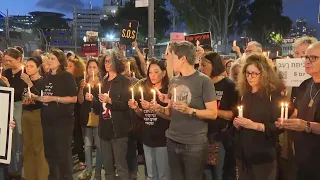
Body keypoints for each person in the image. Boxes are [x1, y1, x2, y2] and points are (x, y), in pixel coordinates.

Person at [156, 41, 218, 180]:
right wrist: (157, 108)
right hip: (172, 140)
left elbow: (213, 113)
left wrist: (190, 110)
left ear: (183, 59)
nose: (169, 61)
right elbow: (170, 112)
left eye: (172, 57)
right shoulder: (174, 81)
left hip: (194, 144)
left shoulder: (204, 81)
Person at [234, 54, 284, 180]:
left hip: (263, 155)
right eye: (247, 73)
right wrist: (237, 123)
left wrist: (256, 126)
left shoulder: (272, 95)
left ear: (264, 74)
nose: (249, 77)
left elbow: (280, 126)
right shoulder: (243, 94)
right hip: (244, 154)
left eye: (254, 74)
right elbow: (239, 117)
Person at [275, 42, 320, 180]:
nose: (307, 61)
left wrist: (306, 126)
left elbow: (304, 123)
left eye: (313, 57)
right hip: (303, 156)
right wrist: (287, 122)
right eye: (306, 57)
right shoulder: (305, 85)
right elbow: (298, 112)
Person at [87, 50, 131, 180]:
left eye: (109, 61)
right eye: (105, 61)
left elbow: (126, 104)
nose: (107, 64)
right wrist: (93, 100)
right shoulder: (103, 82)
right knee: (108, 168)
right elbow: (98, 108)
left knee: (121, 166)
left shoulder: (124, 81)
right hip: (104, 129)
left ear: (116, 63)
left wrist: (110, 101)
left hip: (118, 130)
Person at [128, 59, 171, 180]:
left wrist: (156, 108)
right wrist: (136, 108)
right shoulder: (145, 90)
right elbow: (144, 115)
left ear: (164, 73)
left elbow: (171, 116)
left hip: (162, 138)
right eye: (150, 72)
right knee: (151, 175)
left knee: (163, 174)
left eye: (156, 72)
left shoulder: (167, 92)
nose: (152, 75)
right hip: (147, 137)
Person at [39, 48, 78, 180]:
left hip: (62, 123)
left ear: (60, 61)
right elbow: (45, 95)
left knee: (63, 156)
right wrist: (36, 97)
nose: (49, 61)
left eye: (52, 59)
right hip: (47, 122)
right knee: (50, 155)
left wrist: (55, 99)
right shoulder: (47, 76)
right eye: (48, 58)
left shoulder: (67, 76)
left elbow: (74, 98)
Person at [199, 52, 238, 180]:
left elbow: (231, 115)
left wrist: (212, 110)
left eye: (204, 65)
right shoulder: (203, 84)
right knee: (205, 171)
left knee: (218, 172)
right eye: (200, 65)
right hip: (202, 135)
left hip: (218, 137)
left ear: (214, 65)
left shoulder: (228, 85)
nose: (201, 68)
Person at [20, 57, 49, 180]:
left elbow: (41, 98)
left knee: (39, 147)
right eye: (27, 66)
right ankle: (29, 175)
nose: (28, 69)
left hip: (37, 114)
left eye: (31, 66)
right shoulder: (23, 81)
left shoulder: (43, 81)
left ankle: (41, 176)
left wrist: (29, 83)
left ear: (38, 68)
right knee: (27, 147)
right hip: (25, 113)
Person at [77, 58, 103, 180]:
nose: (91, 69)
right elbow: (80, 101)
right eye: (89, 67)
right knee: (87, 145)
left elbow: (102, 103)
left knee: (98, 144)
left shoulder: (101, 83)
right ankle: (88, 169)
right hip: (85, 116)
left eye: (94, 67)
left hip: (97, 116)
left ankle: (97, 170)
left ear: (98, 69)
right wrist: (81, 89)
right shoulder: (84, 82)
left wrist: (93, 98)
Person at [3, 48, 25, 179]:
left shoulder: (24, 73)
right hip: (6, 106)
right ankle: (10, 167)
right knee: (8, 138)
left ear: (19, 59)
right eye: (5, 60)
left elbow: (20, 93)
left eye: (10, 60)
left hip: (18, 106)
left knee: (19, 136)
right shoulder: (6, 72)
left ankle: (20, 168)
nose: (7, 63)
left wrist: (7, 86)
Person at [67, 57, 86, 171]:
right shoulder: (66, 78)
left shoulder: (79, 80)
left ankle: (81, 159)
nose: (68, 68)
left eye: (70, 66)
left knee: (78, 136)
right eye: (67, 66)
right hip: (67, 111)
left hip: (77, 111)